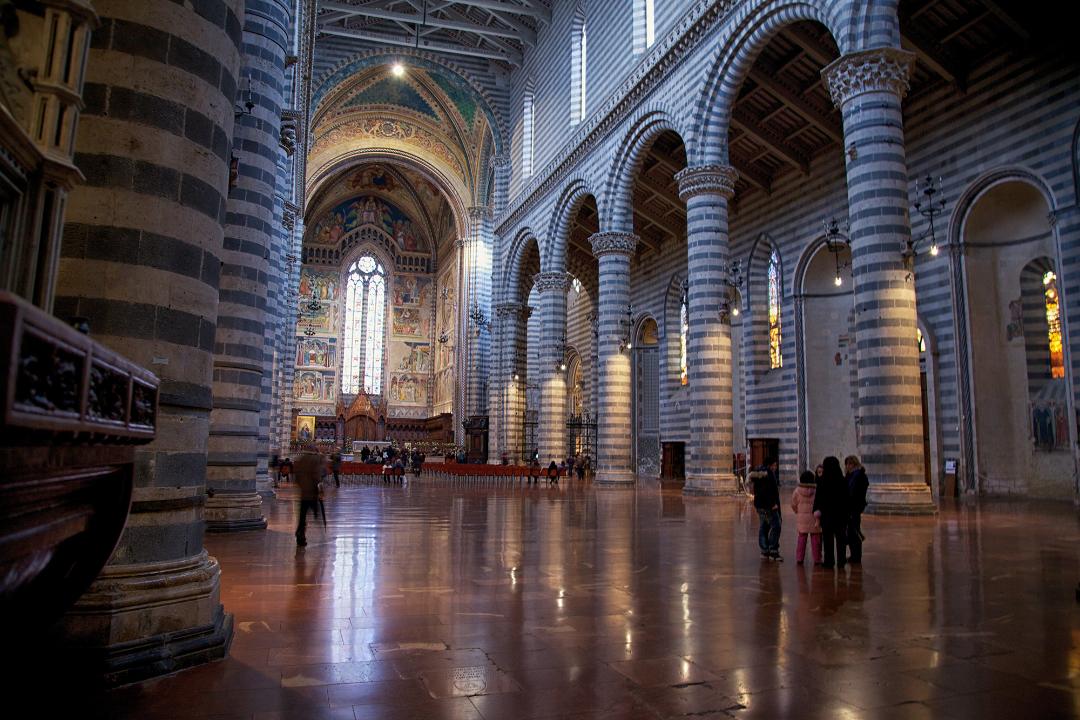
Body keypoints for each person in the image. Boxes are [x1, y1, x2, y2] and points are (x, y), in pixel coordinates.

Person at [814, 456, 848, 568]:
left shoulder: (823, 481)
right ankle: (841, 560)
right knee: (841, 539)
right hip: (840, 514)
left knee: (828, 539)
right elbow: (847, 497)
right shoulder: (842, 480)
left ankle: (829, 561)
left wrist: (816, 510)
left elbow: (818, 498)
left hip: (827, 514)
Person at [293, 445, 325, 547]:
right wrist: (320, 489)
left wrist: (301, 485)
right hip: (312, 492)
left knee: (302, 515)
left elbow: (296, 475)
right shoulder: (315, 459)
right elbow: (317, 475)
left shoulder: (301, 458)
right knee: (317, 511)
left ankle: (300, 534)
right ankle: (320, 530)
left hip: (303, 492)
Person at [752, 459, 782, 561]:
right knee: (776, 526)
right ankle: (773, 550)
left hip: (760, 505)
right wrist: (772, 504)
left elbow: (756, 490)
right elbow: (767, 491)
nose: (775, 468)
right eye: (774, 465)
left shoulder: (758, 474)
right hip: (768, 506)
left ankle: (764, 551)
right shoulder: (768, 474)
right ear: (770, 466)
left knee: (764, 526)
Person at [791, 470, 822, 565]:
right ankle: (817, 559)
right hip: (814, 519)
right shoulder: (817, 490)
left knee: (802, 539)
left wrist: (798, 511)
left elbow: (793, 504)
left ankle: (799, 558)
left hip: (802, 519)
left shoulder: (797, 491)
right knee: (816, 540)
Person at [844, 455, 869, 564]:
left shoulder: (859, 476)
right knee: (851, 531)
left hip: (855, 507)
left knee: (855, 531)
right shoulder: (850, 475)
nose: (848, 466)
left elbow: (858, 492)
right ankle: (854, 555)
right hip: (849, 507)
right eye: (847, 464)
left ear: (855, 464)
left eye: (850, 464)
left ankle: (857, 556)